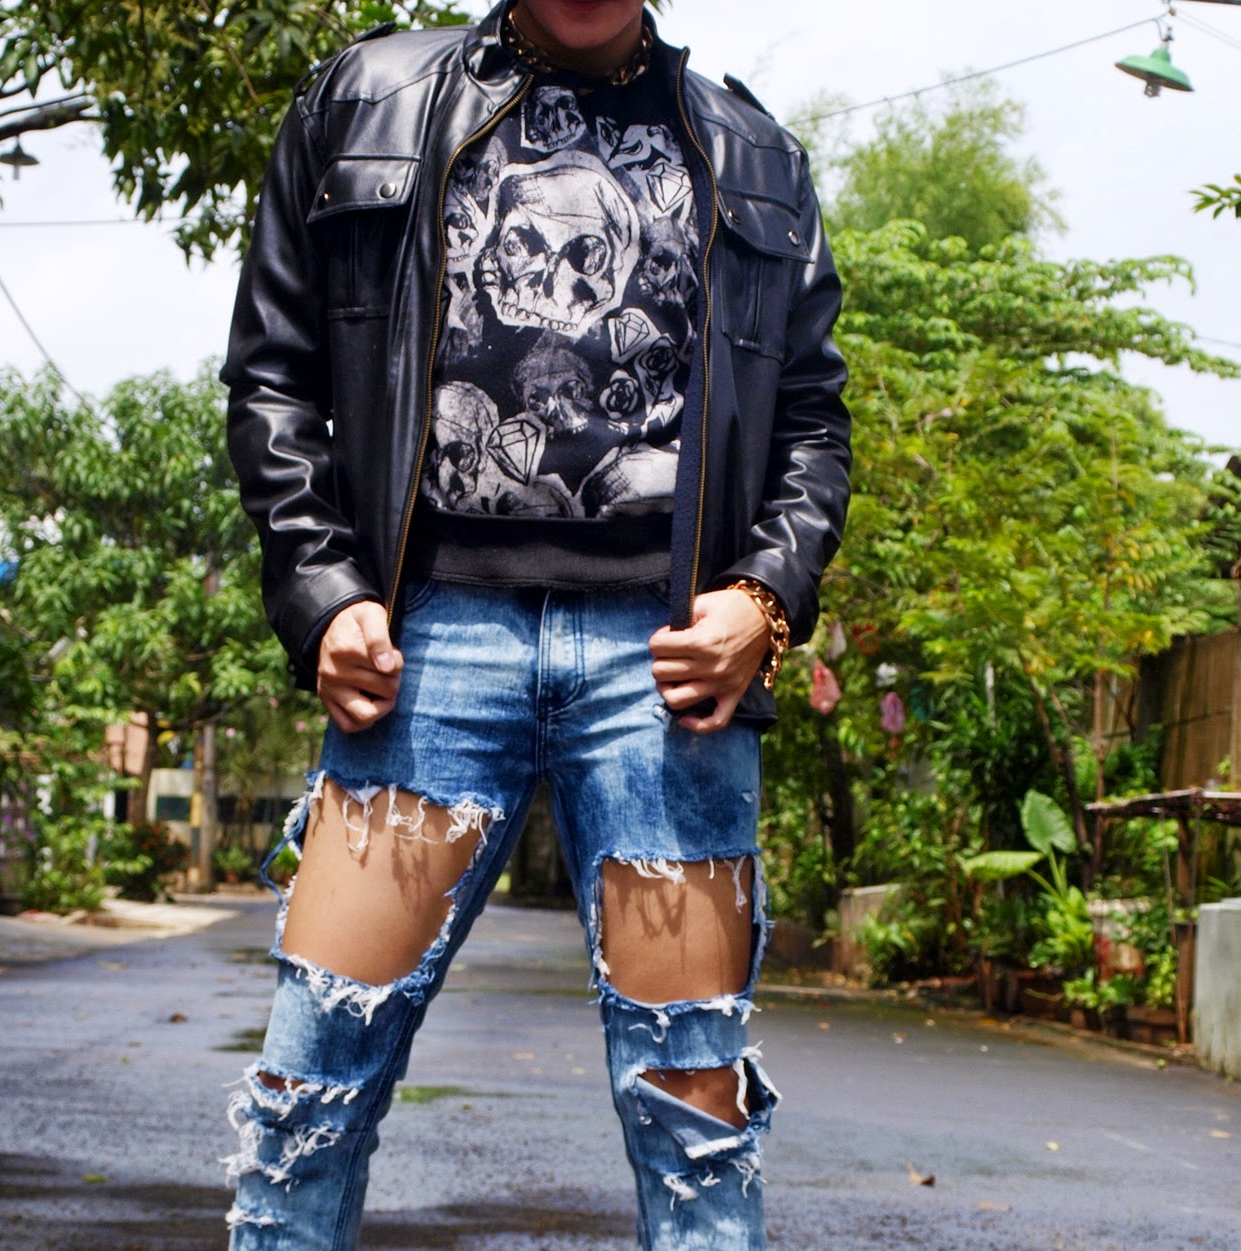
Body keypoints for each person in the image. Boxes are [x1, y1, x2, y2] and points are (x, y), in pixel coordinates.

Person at [220, 1, 851, 1246]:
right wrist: (323, 589)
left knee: (697, 1131)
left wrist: (766, 596)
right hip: (424, 650)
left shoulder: (754, 153)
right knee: (308, 1096)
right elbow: (272, 373)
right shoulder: (364, 101)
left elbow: (812, 421)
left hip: (665, 669)